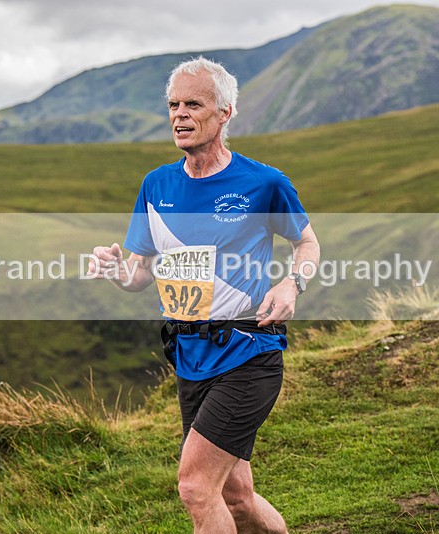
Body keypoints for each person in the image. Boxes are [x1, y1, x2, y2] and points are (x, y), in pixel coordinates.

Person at [89, 56, 319, 533]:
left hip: (248, 353)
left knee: (195, 488)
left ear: (225, 112)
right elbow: (139, 275)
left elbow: (308, 242)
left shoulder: (264, 183)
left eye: (193, 104)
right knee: (236, 495)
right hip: (189, 358)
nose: (180, 114)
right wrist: (116, 271)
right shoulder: (156, 186)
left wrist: (291, 282)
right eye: (173, 104)